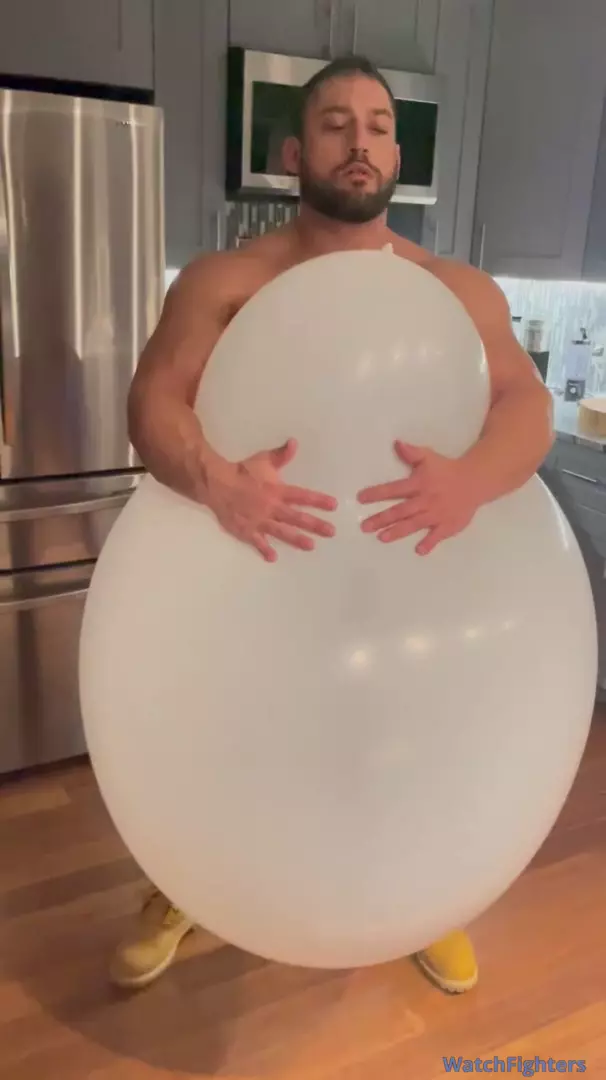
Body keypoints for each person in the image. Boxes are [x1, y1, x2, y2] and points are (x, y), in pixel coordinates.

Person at [111, 55, 554, 993]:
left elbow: (527, 405)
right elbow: (153, 402)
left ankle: (426, 897)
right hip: (254, 575)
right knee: (233, 738)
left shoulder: (459, 291)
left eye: (379, 126)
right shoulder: (227, 280)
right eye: (335, 124)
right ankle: (188, 885)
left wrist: (471, 482)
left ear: (398, 153)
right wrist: (215, 481)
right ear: (293, 152)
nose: (360, 142)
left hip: (406, 588)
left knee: (400, 737)